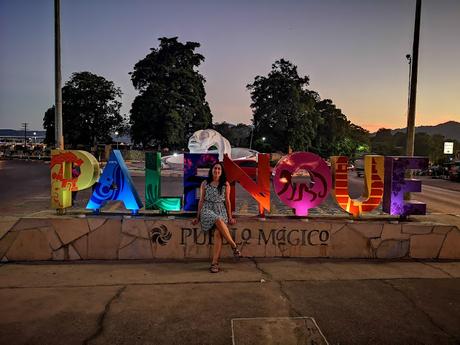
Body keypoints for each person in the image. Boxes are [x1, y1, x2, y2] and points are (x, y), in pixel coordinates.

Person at [192, 162, 241, 273]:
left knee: (219, 233)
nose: (217, 171)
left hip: (220, 209)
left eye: (219, 169)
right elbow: (201, 200)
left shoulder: (225, 184)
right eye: (215, 168)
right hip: (207, 209)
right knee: (218, 219)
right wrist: (197, 217)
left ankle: (215, 264)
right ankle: (234, 246)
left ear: (222, 171)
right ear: (212, 170)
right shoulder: (205, 183)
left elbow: (227, 201)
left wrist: (230, 217)